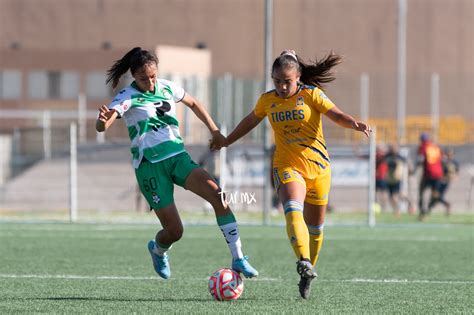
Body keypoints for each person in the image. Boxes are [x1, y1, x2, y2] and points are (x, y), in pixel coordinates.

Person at [211, 50, 371, 299]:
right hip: (287, 166)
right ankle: (304, 260)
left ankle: (307, 271)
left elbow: (335, 114)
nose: (282, 86)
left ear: (298, 77)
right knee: (292, 208)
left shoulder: (311, 95)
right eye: (277, 81)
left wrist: (353, 123)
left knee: (316, 228)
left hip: (319, 169)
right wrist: (226, 141)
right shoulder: (267, 101)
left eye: (287, 81)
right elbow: (250, 121)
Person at [95, 47, 258, 280]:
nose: (150, 83)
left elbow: (193, 103)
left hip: (177, 158)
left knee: (218, 196)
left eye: (153, 76)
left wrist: (214, 131)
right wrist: (101, 122)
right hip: (150, 166)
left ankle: (238, 258)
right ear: (133, 76)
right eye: (144, 78)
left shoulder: (167, 87)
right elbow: (104, 124)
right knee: (175, 231)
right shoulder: (126, 96)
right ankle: (158, 250)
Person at [416, 132, 443, 221]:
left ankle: (423, 212)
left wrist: (414, 170)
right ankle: (428, 209)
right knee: (435, 195)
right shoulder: (435, 147)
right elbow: (441, 159)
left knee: (421, 192)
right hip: (438, 174)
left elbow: (420, 159)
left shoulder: (423, 147)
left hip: (428, 174)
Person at [384, 144, 415, 216]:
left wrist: (410, 170)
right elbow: (382, 162)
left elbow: (407, 162)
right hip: (389, 179)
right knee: (392, 197)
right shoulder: (387, 156)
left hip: (397, 179)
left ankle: (408, 205)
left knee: (396, 196)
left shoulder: (399, 157)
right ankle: (398, 209)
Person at [428, 148, 459, 215]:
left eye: (451, 154)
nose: (449, 155)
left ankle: (429, 209)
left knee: (438, 196)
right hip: (438, 180)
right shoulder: (443, 161)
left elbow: (456, 174)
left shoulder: (455, 163)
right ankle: (430, 208)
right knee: (435, 195)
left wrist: (452, 177)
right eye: (448, 154)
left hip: (446, 182)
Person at [375, 144, 388, 212]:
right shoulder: (375, 155)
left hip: (382, 177)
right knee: (375, 193)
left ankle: (384, 207)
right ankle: (377, 207)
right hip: (375, 177)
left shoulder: (384, 156)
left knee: (383, 193)